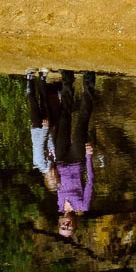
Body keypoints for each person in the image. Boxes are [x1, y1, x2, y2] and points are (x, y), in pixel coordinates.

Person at [50, 70, 97, 237]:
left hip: (61, 159)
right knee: (82, 121)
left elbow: (55, 179)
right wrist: (89, 156)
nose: (66, 225)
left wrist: (51, 162)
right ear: (75, 225)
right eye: (69, 228)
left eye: (63, 227)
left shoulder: (59, 205)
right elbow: (90, 181)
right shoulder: (83, 206)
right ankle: (89, 81)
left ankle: (67, 79)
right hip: (77, 159)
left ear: (60, 223)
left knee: (63, 118)